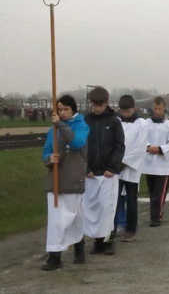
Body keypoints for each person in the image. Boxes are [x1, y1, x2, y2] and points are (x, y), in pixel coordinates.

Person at [41, 95, 89, 270]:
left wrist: (61, 125)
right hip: (55, 179)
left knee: (73, 217)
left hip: (73, 178)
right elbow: (45, 151)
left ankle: (79, 247)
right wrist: (49, 158)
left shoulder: (82, 126)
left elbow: (76, 143)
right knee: (55, 219)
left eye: (65, 109)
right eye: (59, 109)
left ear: (73, 109)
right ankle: (55, 256)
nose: (62, 113)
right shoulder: (52, 130)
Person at [84, 86, 125, 256]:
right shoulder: (87, 121)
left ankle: (108, 240)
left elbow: (119, 145)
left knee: (107, 207)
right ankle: (97, 241)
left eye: (100, 105)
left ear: (106, 103)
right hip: (92, 173)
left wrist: (113, 167)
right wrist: (86, 167)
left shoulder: (114, 121)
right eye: (94, 105)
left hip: (108, 173)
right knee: (93, 207)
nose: (97, 109)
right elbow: (82, 147)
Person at [141, 96, 169, 227]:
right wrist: (147, 146)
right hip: (149, 163)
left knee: (159, 192)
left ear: (164, 108)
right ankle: (154, 213)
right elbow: (140, 138)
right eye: (155, 108)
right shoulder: (146, 123)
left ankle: (156, 216)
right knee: (152, 191)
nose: (157, 111)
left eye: (159, 108)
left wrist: (161, 149)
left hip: (163, 164)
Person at [114, 95, 148, 242]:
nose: (126, 113)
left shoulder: (142, 123)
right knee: (114, 199)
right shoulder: (116, 122)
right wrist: (115, 162)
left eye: (128, 111)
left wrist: (124, 163)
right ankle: (113, 227)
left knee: (131, 199)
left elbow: (139, 147)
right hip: (116, 166)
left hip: (132, 168)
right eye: (123, 111)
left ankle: (131, 228)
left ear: (134, 108)